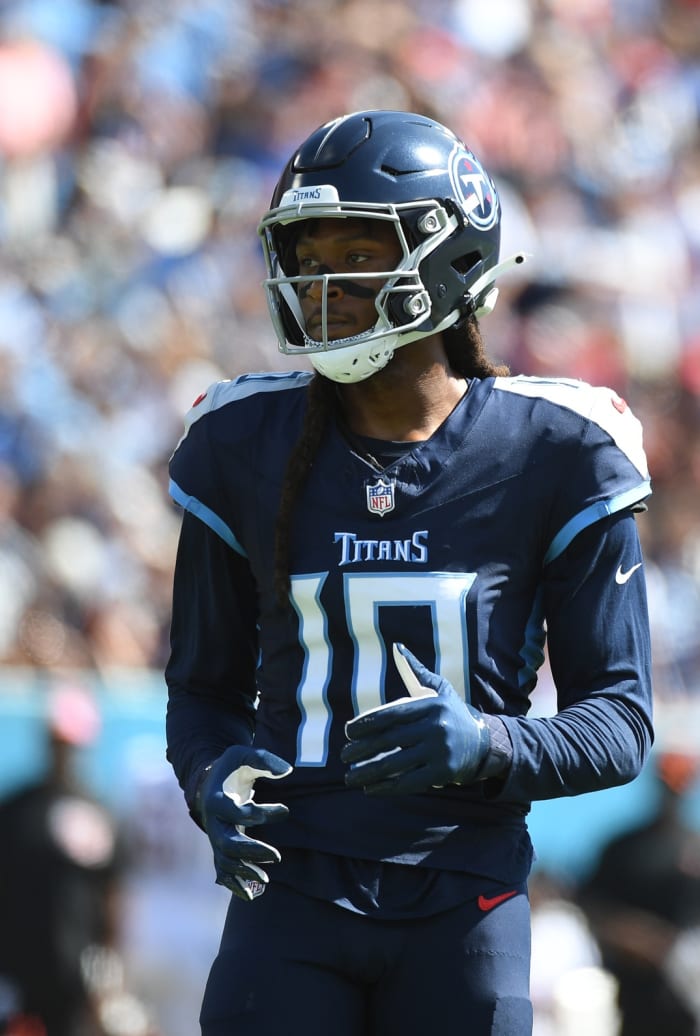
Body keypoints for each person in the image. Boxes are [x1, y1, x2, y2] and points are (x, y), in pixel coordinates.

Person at [165, 109, 654, 1036]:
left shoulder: (559, 447)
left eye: (356, 249)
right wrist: (207, 777)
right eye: (306, 256)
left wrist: (490, 743)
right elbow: (200, 691)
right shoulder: (239, 441)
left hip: (463, 894)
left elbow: (622, 721)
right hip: (288, 890)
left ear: (452, 259)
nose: (322, 282)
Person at [0, 683, 125, 1036]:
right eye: (56, 741)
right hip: (16, 973)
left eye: (68, 744)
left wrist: (110, 972)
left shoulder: (100, 812)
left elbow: (113, 893)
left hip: (78, 975)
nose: (61, 752)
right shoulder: (15, 810)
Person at [579, 750, 700, 1036]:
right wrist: (629, 935)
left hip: (687, 992)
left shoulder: (695, 846)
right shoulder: (624, 847)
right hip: (630, 991)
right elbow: (588, 904)